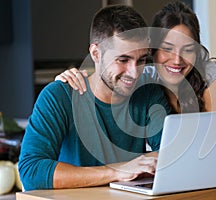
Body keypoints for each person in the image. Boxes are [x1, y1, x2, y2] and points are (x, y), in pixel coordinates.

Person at [18, 5, 171, 191]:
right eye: (123, 60)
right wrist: (116, 172)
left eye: (141, 60)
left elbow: (170, 154)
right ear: (96, 54)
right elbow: (31, 172)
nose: (134, 72)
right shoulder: (58, 97)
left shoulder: (148, 93)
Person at [56, 1, 216, 113]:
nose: (177, 59)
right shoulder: (143, 76)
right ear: (153, 51)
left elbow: (214, 140)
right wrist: (67, 81)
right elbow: (105, 79)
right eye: (168, 49)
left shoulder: (210, 75)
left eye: (187, 49)